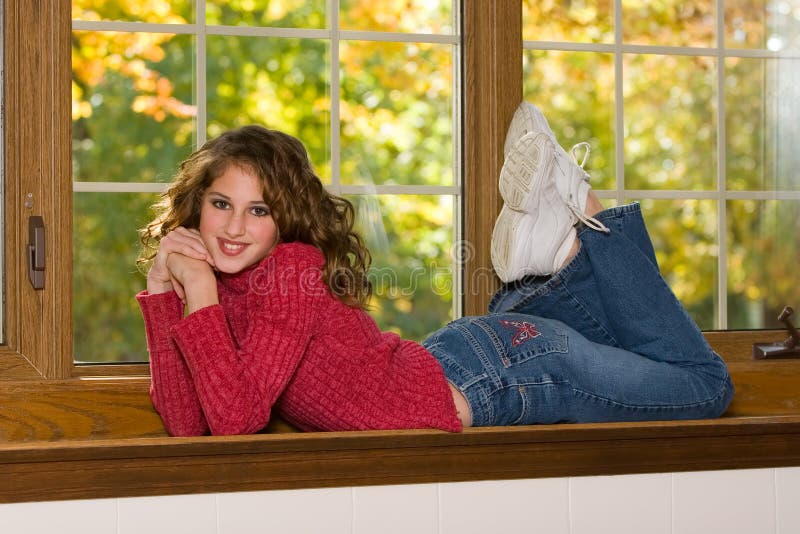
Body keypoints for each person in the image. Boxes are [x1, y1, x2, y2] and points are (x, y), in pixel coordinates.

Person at [137, 104, 734, 436]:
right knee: (638, 352)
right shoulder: (225, 291)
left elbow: (238, 419)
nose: (235, 227)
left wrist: (197, 290)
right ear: (197, 206)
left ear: (285, 218)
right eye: (221, 205)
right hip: (464, 359)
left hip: (496, 375)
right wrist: (163, 290)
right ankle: (557, 251)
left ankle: (583, 208)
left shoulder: (290, 270)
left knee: (703, 383)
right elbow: (191, 424)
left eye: (258, 210)